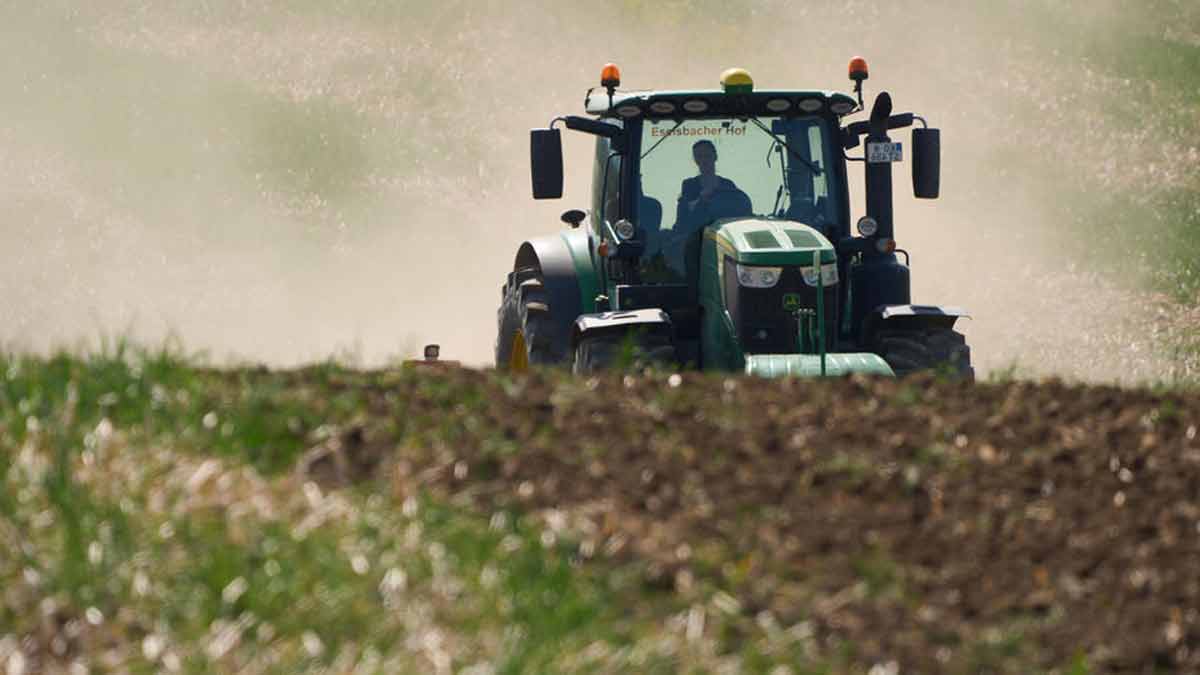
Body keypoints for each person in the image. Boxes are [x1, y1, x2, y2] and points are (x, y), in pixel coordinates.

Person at [671, 140, 750, 233]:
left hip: (724, 235)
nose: (704, 160)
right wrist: (701, 200)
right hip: (698, 236)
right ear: (695, 160)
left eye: (707, 156)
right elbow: (685, 218)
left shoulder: (727, 184)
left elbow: (738, 212)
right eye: (699, 156)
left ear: (715, 157)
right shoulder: (689, 185)